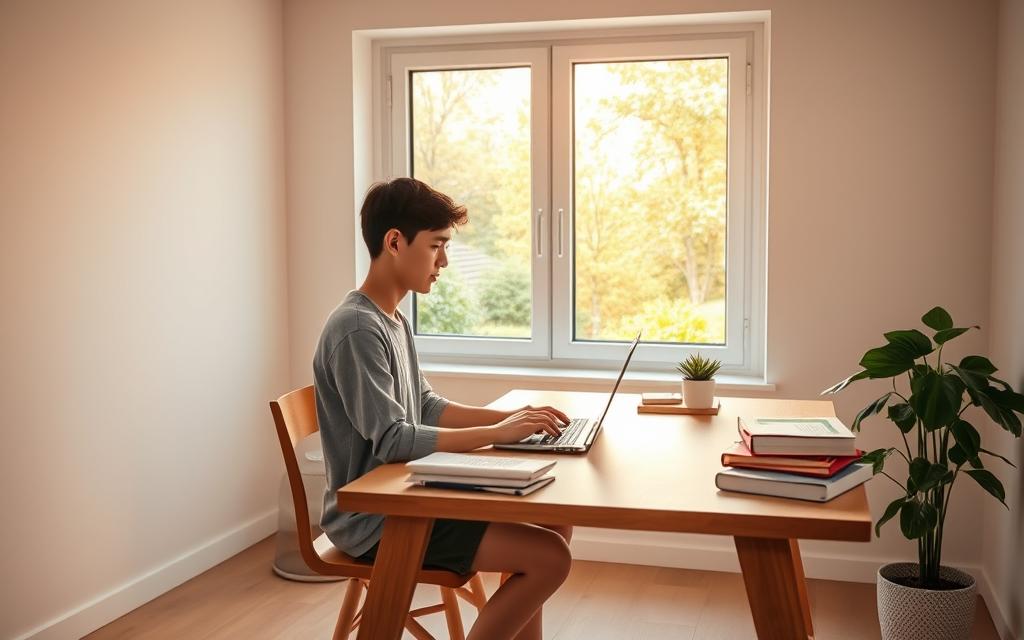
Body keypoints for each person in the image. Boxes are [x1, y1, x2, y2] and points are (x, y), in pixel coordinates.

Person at [313, 177, 573, 640]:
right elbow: (394, 439)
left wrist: (516, 419)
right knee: (550, 557)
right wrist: (499, 434)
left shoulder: (392, 320)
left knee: (554, 519)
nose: (445, 261)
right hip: (377, 519)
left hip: (409, 497)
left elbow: (426, 407)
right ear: (395, 241)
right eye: (437, 245)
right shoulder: (356, 329)